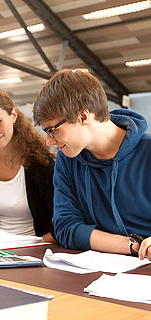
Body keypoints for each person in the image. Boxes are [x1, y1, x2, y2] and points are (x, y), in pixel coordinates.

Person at [33, 68, 151, 260]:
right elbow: (65, 228)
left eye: (52, 130)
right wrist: (133, 246)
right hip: (97, 271)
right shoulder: (68, 158)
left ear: (83, 116)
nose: (49, 141)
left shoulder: (147, 152)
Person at [0, 87, 56, 243]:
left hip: (37, 250)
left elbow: (58, 225)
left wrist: (32, 248)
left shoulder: (41, 164)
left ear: (13, 115)